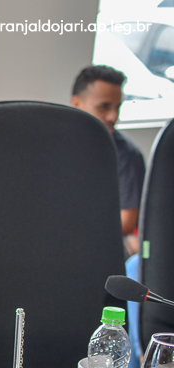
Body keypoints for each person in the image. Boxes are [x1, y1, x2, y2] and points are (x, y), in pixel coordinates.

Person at [70, 65, 146, 256]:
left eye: (117, 107)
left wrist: (74, 236)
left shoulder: (126, 155)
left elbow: (126, 221)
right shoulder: (54, 143)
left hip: (98, 242)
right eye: (104, 107)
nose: (114, 116)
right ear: (76, 103)